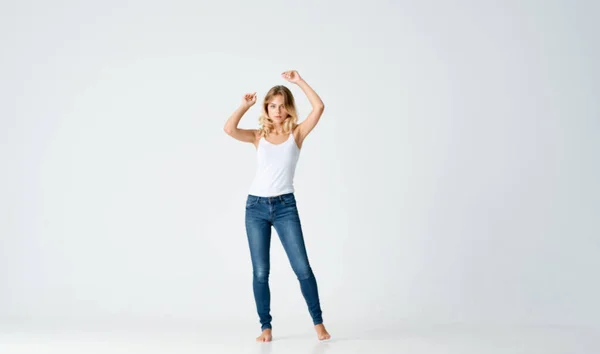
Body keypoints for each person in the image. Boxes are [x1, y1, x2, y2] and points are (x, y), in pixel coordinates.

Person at [223, 70, 331, 342]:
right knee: (261, 271)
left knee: (302, 268)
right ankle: (266, 328)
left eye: (282, 105)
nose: (278, 110)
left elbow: (319, 107)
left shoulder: (297, 134)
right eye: (273, 106)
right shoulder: (258, 136)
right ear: (267, 109)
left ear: (289, 108)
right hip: (255, 208)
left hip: (285, 207)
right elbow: (228, 129)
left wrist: (299, 81)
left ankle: (318, 323)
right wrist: (244, 106)